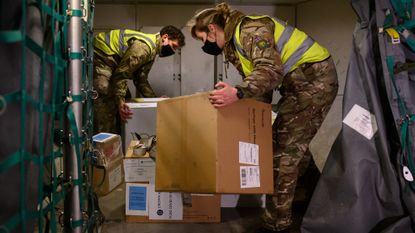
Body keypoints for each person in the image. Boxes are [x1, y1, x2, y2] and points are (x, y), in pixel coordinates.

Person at [189, 3, 338, 233]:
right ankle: (314, 199)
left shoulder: (250, 30)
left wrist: (237, 93)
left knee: (283, 153)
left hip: (314, 82)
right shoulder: (234, 44)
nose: (204, 45)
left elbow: (269, 71)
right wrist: (249, 123)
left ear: (211, 29)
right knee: (293, 145)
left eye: (202, 39)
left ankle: (277, 224)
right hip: (299, 85)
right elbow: (261, 89)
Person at [93, 26, 185, 134]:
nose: (173, 51)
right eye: (174, 46)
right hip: (101, 54)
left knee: (126, 97)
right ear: (165, 37)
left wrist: (155, 100)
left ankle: (117, 136)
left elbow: (140, 79)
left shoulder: (151, 51)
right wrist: (120, 102)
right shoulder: (144, 47)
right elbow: (121, 74)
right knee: (106, 92)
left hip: (114, 61)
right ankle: (103, 141)